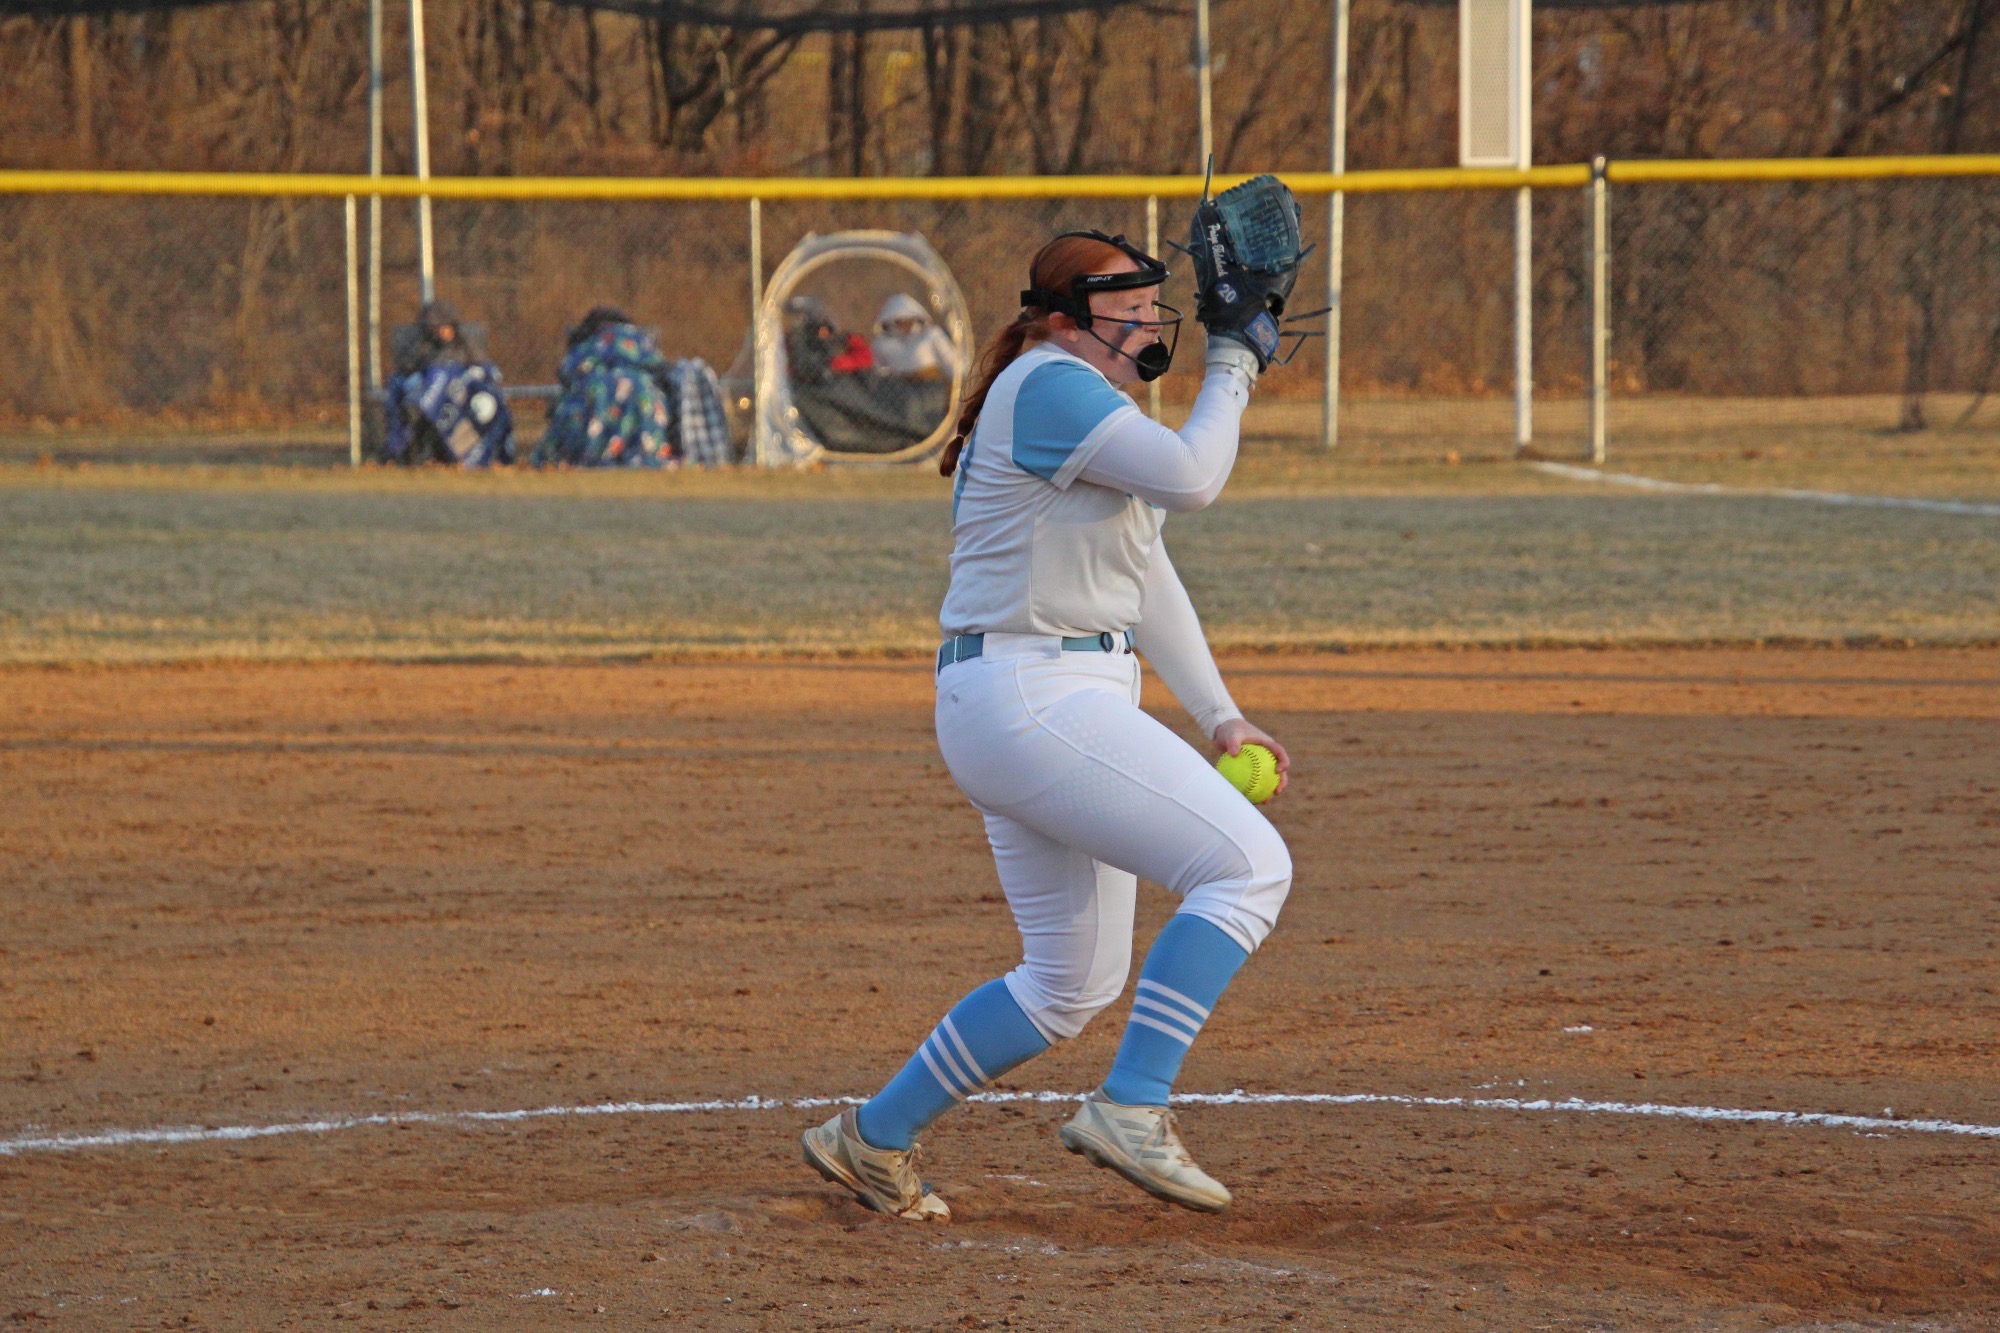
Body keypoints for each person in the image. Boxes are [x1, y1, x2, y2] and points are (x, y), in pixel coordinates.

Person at [801, 229, 1294, 1221]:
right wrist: (1235, 362)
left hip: (1033, 701)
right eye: (1130, 307)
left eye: (1154, 306)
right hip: (1034, 697)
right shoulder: (1052, 383)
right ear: (1066, 319)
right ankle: (1133, 1104)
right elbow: (1196, 477)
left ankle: (871, 1137)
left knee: (1069, 982)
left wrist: (1219, 715)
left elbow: (1145, 576)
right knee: (1248, 868)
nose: (1151, 322)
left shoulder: (1084, 403)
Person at [534, 306, 677, 468]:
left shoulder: (587, 348)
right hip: (648, 421)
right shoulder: (641, 345)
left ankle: (590, 452)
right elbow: (664, 370)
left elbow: (567, 371)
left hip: (595, 406)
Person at [381, 298, 515, 467]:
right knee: (417, 396)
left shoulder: (465, 346)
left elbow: (484, 370)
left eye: (443, 326)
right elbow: (410, 369)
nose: (440, 331)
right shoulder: (425, 349)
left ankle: (480, 456)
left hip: (462, 401)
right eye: (435, 328)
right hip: (433, 403)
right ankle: (411, 451)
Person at [869, 293, 959, 379]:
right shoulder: (882, 343)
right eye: (900, 322)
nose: (905, 325)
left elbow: (949, 360)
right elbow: (878, 370)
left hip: (931, 382)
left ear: (915, 318)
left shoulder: (931, 335)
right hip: (899, 385)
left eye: (908, 321)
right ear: (892, 322)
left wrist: (958, 378)